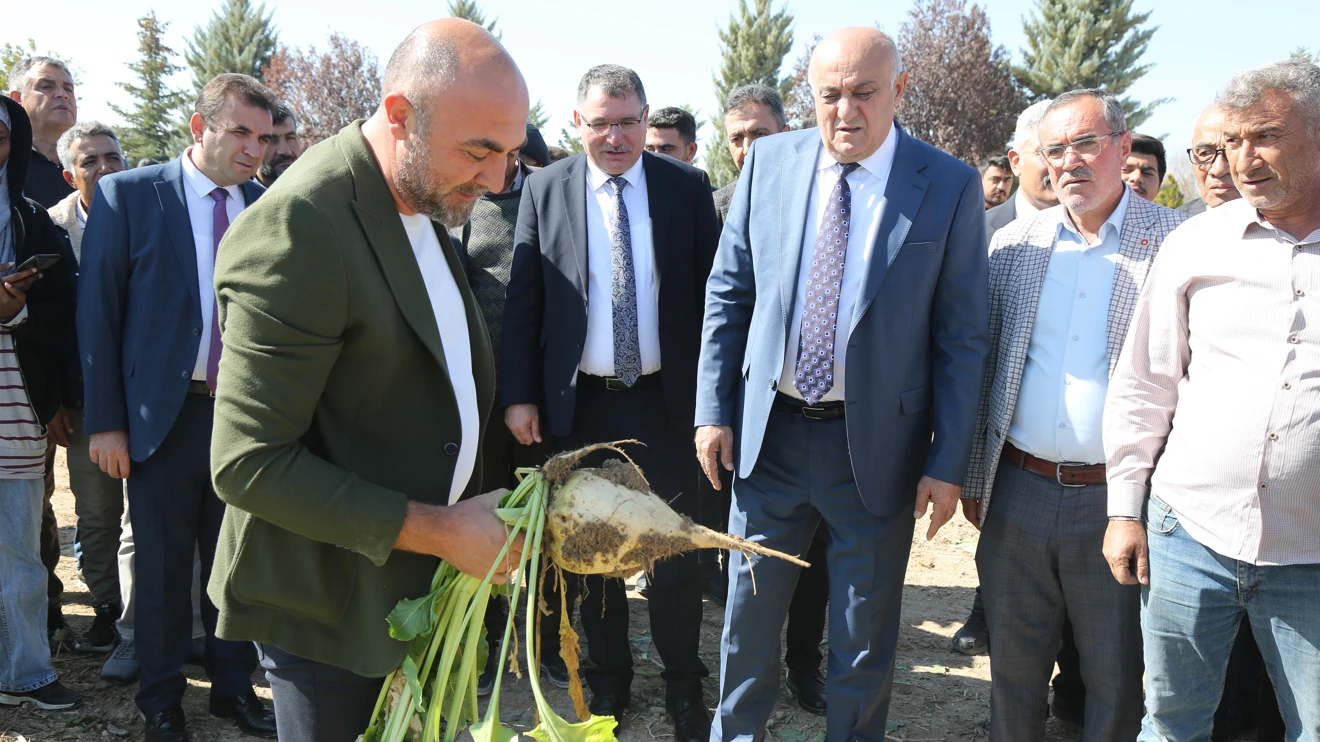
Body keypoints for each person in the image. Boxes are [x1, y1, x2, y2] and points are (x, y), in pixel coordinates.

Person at [207, 20, 527, 742]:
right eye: (480, 151)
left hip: (416, 592)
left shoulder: (424, 195)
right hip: (331, 608)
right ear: (399, 117)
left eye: (509, 153)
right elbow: (248, 464)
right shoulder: (301, 227)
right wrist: (440, 529)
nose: (498, 179)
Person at [696, 27, 990, 742]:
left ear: (899, 91)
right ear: (812, 95)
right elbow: (728, 293)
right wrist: (713, 410)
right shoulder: (769, 162)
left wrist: (946, 464)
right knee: (747, 623)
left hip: (877, 453)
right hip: (771, 440)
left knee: (863, 635)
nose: (846, 111)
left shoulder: (945, 184)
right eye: (830, 95)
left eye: (864, 93)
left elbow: (962, 336)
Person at [1103, 58, 1320, 742]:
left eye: (1265, 136)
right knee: (1171, 723)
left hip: (1311, 557)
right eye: (1231, 142)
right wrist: (1123, 511)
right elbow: (1145, 382)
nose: (1242, 160)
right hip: (1190, 532)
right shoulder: (1195, 242)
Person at [503, 63, 719, 742]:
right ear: (578, 124)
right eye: (600, 124)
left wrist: (715, 402)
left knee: (675, 555)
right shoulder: (545, 189)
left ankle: (685, 688)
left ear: (645, 118)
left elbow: (717, 301)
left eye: (628, 122)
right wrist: (519, 397)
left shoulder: (685, 187)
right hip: (582, 411)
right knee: (592, 557)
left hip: (666, 406)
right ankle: (609, 686)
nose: (616, 137)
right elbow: (523, 301)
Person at [964, 88, 1185, 742]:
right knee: (1014, 670)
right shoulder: (1016, 243)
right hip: (1019, 491)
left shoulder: (1174, 243)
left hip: (1118, 503)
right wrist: (977, 478)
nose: (1070, 162)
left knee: (1114, 676)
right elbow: (986, 368)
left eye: (1086, 144)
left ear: (1123, 147)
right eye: (1054, 150)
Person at [78, 73, 278, 742]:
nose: (255, 150)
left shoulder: (267, 204)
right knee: (163, 573)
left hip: (241, 419)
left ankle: (232, 691)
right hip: (160, 418)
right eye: (241, 133)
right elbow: (97, 316)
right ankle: (161, 703)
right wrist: (106, 421)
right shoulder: (128, 195)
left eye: (264, 137)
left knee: (237, 566)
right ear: (200, 127)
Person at [707, 81, 831, 716]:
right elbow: (719, 308)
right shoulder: (720, 205)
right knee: (754, 571)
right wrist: (714, 412)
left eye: (760, 133)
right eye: (737, 138)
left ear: (789, 130)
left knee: (820, 563)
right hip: (758, 417)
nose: (749, 147)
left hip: (835, 420)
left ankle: (805, 664)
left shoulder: (829, 191)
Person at [449, 120, 557, 696]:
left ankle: (544, 637)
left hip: (544, 388)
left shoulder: (552, 197)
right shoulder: (459, 203)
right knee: (487, 508)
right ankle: (490, 632)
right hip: (480, 392)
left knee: (547, 512)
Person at [954, 98, 1058, 660]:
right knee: (996, 537)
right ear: (1017, 159)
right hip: (989, 418)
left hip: (1062, 435)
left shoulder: (1094, 233)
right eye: (1047, 151)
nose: (1061, 164)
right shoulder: (979, 229)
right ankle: (984, 608)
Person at [0, 93, 81, 713]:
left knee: (20, 556)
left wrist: (18, 311)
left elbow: (66, 312)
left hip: (16, 411)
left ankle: (27, 671)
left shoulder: (33, 220)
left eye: (1, 136)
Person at [47, 121, 128, 654]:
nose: (103, 168)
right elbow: (44, 326)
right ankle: (106, 610)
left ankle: (158, 614)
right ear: (68, 172)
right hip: (80, 399)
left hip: (148, 393)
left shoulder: (147, 213)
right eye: (89, 160)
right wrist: (52, 398)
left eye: (112, 157)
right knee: (96, 510)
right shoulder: (49, 227)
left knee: (150, 513)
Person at [983, 100, 1058, 242]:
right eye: (1049, 152)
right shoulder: (975, 231)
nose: (1064, 163)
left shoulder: (1102, 229)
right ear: (1016, 162)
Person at [7, 57, 76, 208]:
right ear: (17, 99)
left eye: (68, 89)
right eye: (46, 86)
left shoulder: (101, 160)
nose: (62, 94)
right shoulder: (5, 162)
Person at [1180, 105, 1239, 216]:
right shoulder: (1173, 226)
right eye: (1205, 153)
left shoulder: (1280, 226)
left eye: (1231, 152)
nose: (1218, 169)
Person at [254, 100, 301, 188]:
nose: (285, 151)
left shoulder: (317, 195)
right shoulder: (237, 197)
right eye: (271, 139)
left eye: (290, 138)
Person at [1123, 133, 1166, 202]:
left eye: (1147, 173)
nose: (1137, 177)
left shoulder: (1172, 213)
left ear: (1159, 185)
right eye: (1126, 169)